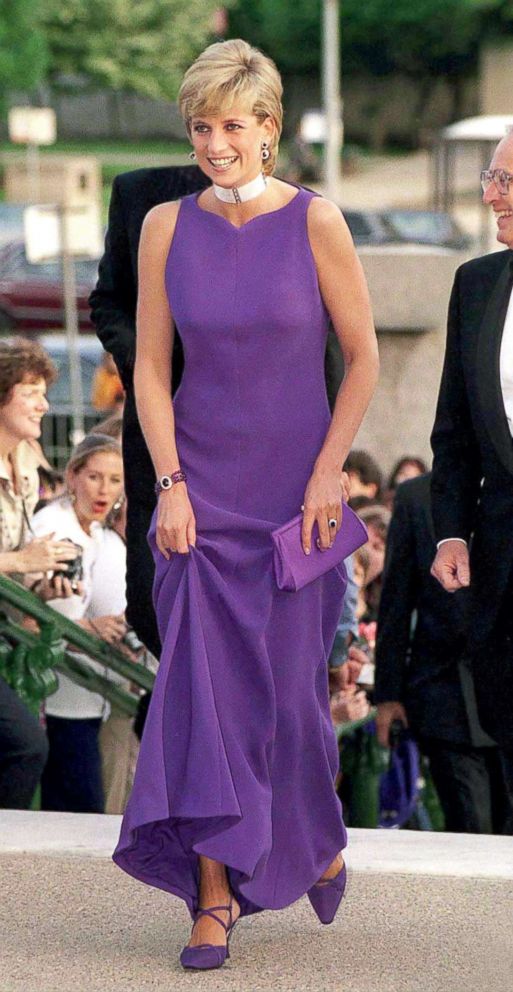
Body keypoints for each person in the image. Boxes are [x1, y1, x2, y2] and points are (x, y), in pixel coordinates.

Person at [112, 39, 378, 971]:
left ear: (269, 130)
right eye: (200, 126)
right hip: (197, 495)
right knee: (200, 702)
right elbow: (149, 366)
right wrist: (170, 483)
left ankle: (315, 840)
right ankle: (212, 897)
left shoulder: (317, 222)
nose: (214, 143)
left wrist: (325, 470)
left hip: (292, 500)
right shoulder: (162, 227)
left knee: (293, 703)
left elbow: (362, 358)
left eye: (232, 125)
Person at [90, 160, 210, 659]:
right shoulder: (141, 195)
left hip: (250, 439)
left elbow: (332, 349)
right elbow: (108, 302)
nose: (218, 143)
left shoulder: (296, 210)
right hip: (155, 432)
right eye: (203, 125)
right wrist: (145, 360)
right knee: (151, 601)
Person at [430, 126, 513, 795]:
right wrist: (451, 530)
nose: (489, 196)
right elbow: (453, 432)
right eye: (490, 178)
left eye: (505, 180)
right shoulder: (476, 284)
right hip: (501, 569)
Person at [375, 473, 513, 833]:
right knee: (473, 827)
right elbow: (396, 600)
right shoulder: (416, 497)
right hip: (444, 692)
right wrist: (388, 694)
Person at [0, 338, 78, 809]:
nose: (44, 404)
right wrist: (20, 561)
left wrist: (41, 588)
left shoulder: (24, 466)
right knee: (25, 745)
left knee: (23, 746)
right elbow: (14, 556)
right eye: (31, 390)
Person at [30, 434, 127, 813]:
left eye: (115, 480)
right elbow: (35, 615)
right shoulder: (53, 525)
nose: (104, 490)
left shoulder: (103, 536)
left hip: (92, 699)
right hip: (55, 699)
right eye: (94, 477)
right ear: (72, 477)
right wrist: (92, 628)